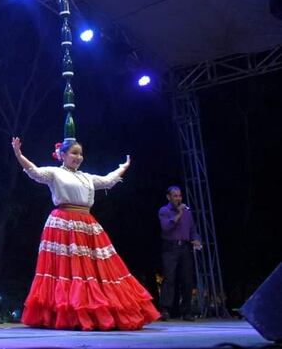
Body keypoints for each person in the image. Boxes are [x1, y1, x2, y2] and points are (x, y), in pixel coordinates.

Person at [11, 137, 160, 331]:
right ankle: (66, 312)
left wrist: (123, 167)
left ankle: (94, 310)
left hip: (87, 224)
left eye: (80, 153)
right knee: (66, 270)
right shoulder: (55, 173)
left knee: (94, 270)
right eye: (73, 153)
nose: (78, 157)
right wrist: (19, 154)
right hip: (63, 223)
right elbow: (34, 172)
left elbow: (107, 180)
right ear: (62, 155)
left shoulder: (86, 177)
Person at [158, 186, 202, 321]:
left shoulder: (187, 212)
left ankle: (187, 311)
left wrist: (197, 240)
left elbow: (193, 229)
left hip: (185, 248)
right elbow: (166, 227)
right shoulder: (164, 211)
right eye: (175, 196)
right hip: (170, 248)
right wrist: (178, 213)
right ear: (169, 197)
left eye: (180, 196)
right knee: (169, 279)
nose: (178, 198)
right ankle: (165, 309)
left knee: (187, 279)